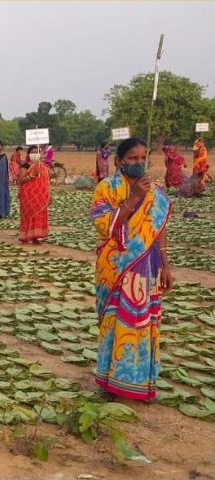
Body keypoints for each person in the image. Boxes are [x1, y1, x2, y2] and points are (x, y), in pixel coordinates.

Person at [91, 137, 173, 403]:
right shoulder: (107, 188)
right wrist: (134, 196)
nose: (138, 163)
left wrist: (165, 263)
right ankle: (109, 382)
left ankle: (140, 383)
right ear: (119, 161)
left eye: (142, 158)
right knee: (117, 321)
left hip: (146, 266)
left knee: (144, 323)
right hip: (116, 267)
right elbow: (106, 226)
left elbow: (158, 228)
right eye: (132, 159)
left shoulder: (155, 191)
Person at [17, 146, 50, 244]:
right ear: (28, 154)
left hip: (41, 196)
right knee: (28, 215)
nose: (35, 154)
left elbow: (47, 182)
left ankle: (36, 237)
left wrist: (49, 194)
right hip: (28, 195)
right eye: (33, 152)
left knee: (39, 214)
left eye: (37, 152)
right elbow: (21, 180)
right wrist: (32, 175)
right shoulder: (25, 166)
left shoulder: (43, 167)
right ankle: (25, 236)